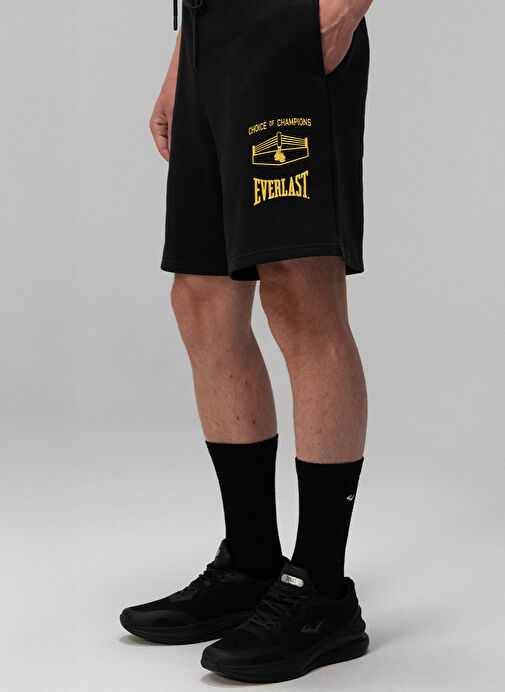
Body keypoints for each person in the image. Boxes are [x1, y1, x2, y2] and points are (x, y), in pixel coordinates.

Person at [121, 0, 373, 682]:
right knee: (201, 297)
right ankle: (251, 562)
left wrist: (343, 8)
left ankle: (320, 591)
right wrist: (184, 57)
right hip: (211, 35)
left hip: (288, 22)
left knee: (299, 292)